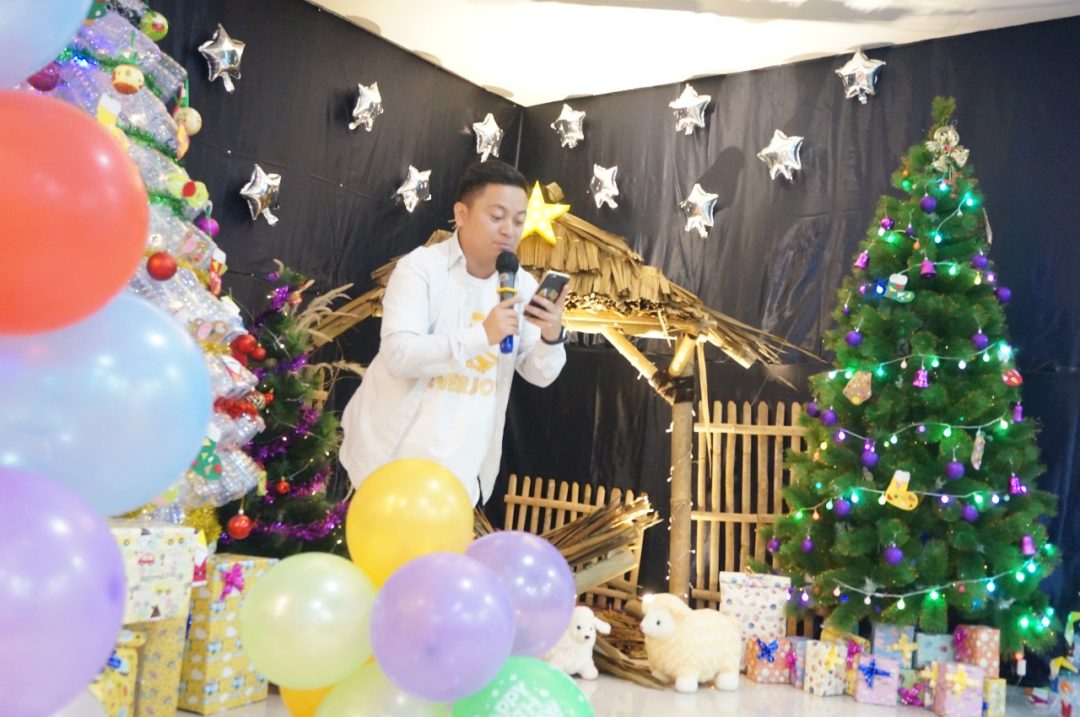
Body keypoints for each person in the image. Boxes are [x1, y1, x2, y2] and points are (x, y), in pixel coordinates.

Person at [339, 160, 569, 505]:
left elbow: (540, 374)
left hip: (461, 473)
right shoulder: (421, 268)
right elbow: (400, 356)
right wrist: (482, 335)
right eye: (497, 216)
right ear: (461, 214)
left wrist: (551, 334)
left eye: (518, 221)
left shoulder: (521, 284)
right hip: (392, 460)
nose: (509, 230)